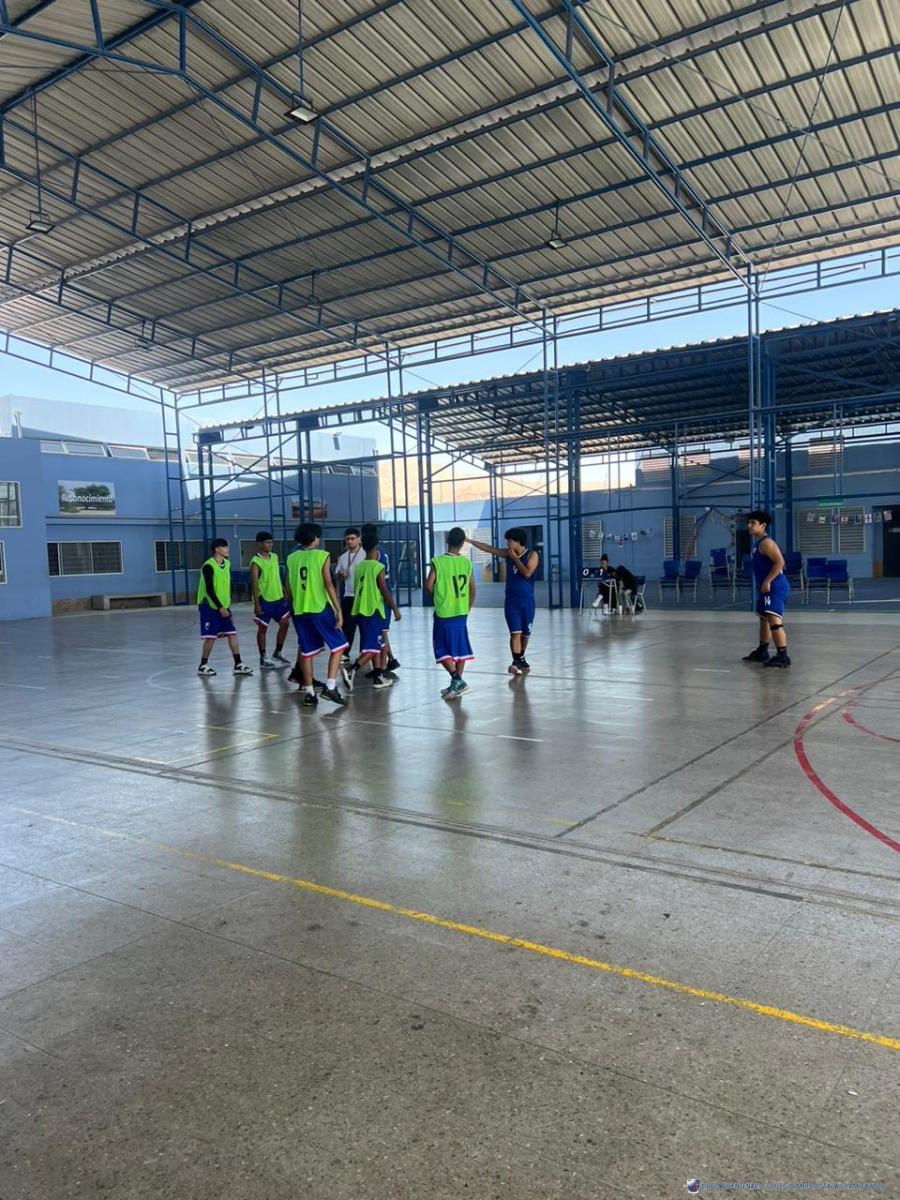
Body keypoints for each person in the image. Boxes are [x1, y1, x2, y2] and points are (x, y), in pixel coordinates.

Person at [285, 523, 349, 707]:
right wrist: (338, 609)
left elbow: (287, 586)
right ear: (315, 538)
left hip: (299, 611)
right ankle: (330, 686)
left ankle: (309, 693)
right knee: (339, 645)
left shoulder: (291, 558)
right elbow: (328, 584)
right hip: (319, 608)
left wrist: (297, 602)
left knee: (306, 652)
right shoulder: (322, 555)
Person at [465, 527, 538, 674]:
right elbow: (490, 549)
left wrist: (515, 558)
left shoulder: (532, 555)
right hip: (511, 601)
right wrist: (470, 541)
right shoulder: (507, 553)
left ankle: (520, 657)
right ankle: (516, 662)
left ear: (517, 541)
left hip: (527, 601)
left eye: (509, 541)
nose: (507, 543)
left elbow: (527, 573)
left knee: (525, 635)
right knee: (515, 633)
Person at [346, 531, 402, 691]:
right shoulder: (378, 567)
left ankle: (378, 677)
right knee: (375, 647)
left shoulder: (360, 566)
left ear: (362, 546)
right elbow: (384, 590)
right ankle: (352, 670)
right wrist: (395, 609)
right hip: (374, 610)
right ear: (377, 546)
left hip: (361, 610)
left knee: (377, 643)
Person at [425, 526, 475, 699]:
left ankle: (457, 679)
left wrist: (438, 598)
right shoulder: (466, 563)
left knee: (440, 648)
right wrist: (466, 608)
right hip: (461, 612)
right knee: (460, 649)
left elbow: (428, 586)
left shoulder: (438, 561)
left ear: (447, 540)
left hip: (444, 612)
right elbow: (472, 590)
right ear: (462, 543)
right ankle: (456, 685)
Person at [196, 538, 253, 676]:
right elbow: (209, 590)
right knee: (210, 637)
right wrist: (220, 607)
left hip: (224, 606)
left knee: (232, 633)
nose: (228, 549)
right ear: (217, 549)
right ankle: (203, 665)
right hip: (209, 606)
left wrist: (226, 606)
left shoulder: (227, 564)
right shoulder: (208, 566)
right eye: (225, 547)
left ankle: (238, 664)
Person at [742, 511, 791, 668]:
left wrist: (768, 581)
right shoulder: (757, 544)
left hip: (775, 586)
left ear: (763, 525)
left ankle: (783, 656)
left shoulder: (767, 543)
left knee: (774, 619)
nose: (749, 525)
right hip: (766, 586)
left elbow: (780, 563)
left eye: (753, 523)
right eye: (749, 522)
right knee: (764, 617)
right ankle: (762, 651)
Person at [361, 522, 400, 672]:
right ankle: (389, 660)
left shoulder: (374, 556)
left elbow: (381, 584)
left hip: (379, 596)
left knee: (381, 633)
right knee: (381, 633)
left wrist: (394, 608)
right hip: (382, 593)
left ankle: (382, 667)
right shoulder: (381, 551)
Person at [249, 531, 291, 669]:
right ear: (260, 544)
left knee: (285, 624)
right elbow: (254, 584)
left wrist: (284, 590)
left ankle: (277, 653)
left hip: (278, 598)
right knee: (263, 628)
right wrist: (257, 604)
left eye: (271, 542)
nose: (270, 545)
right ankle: (263, 657)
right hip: (264, 600)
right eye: (267, 542)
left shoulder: (274, 557)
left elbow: (276, 575)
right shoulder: (256, 562)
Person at [335, 528, 365, 658]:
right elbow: (337, 576)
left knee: (364, 626)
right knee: (348, 626)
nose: (349, 541)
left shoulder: (364, 555)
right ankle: (345, 653)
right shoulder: (343, 557)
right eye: (347, 539)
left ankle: (365, 653)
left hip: (362, 596)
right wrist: (341, 575)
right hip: (348, 595)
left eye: (352, 539)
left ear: (358, 539)